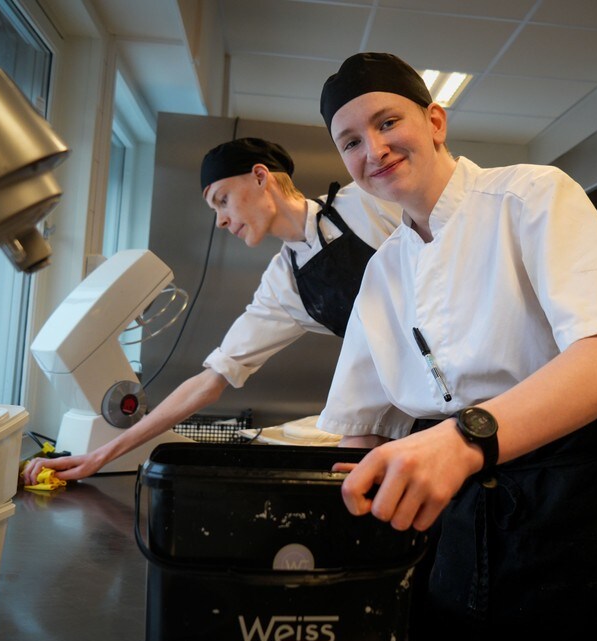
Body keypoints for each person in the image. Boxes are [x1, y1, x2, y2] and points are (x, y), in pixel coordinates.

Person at [314, 53, 597, 641]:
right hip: (454, 521)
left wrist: (461, 441)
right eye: (350, 141)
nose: (372, 149)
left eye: (386, 123)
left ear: (434, 121)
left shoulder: (532, 195)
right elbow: (363, 422)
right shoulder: (384, 270)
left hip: (575, 500)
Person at [22, 137, 401, 485]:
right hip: (395, 390)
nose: (219, 220)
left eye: (222, 199)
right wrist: (99, 456)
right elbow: (210, 380)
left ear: (259, 177)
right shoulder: (284, 283)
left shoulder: (366, 202)